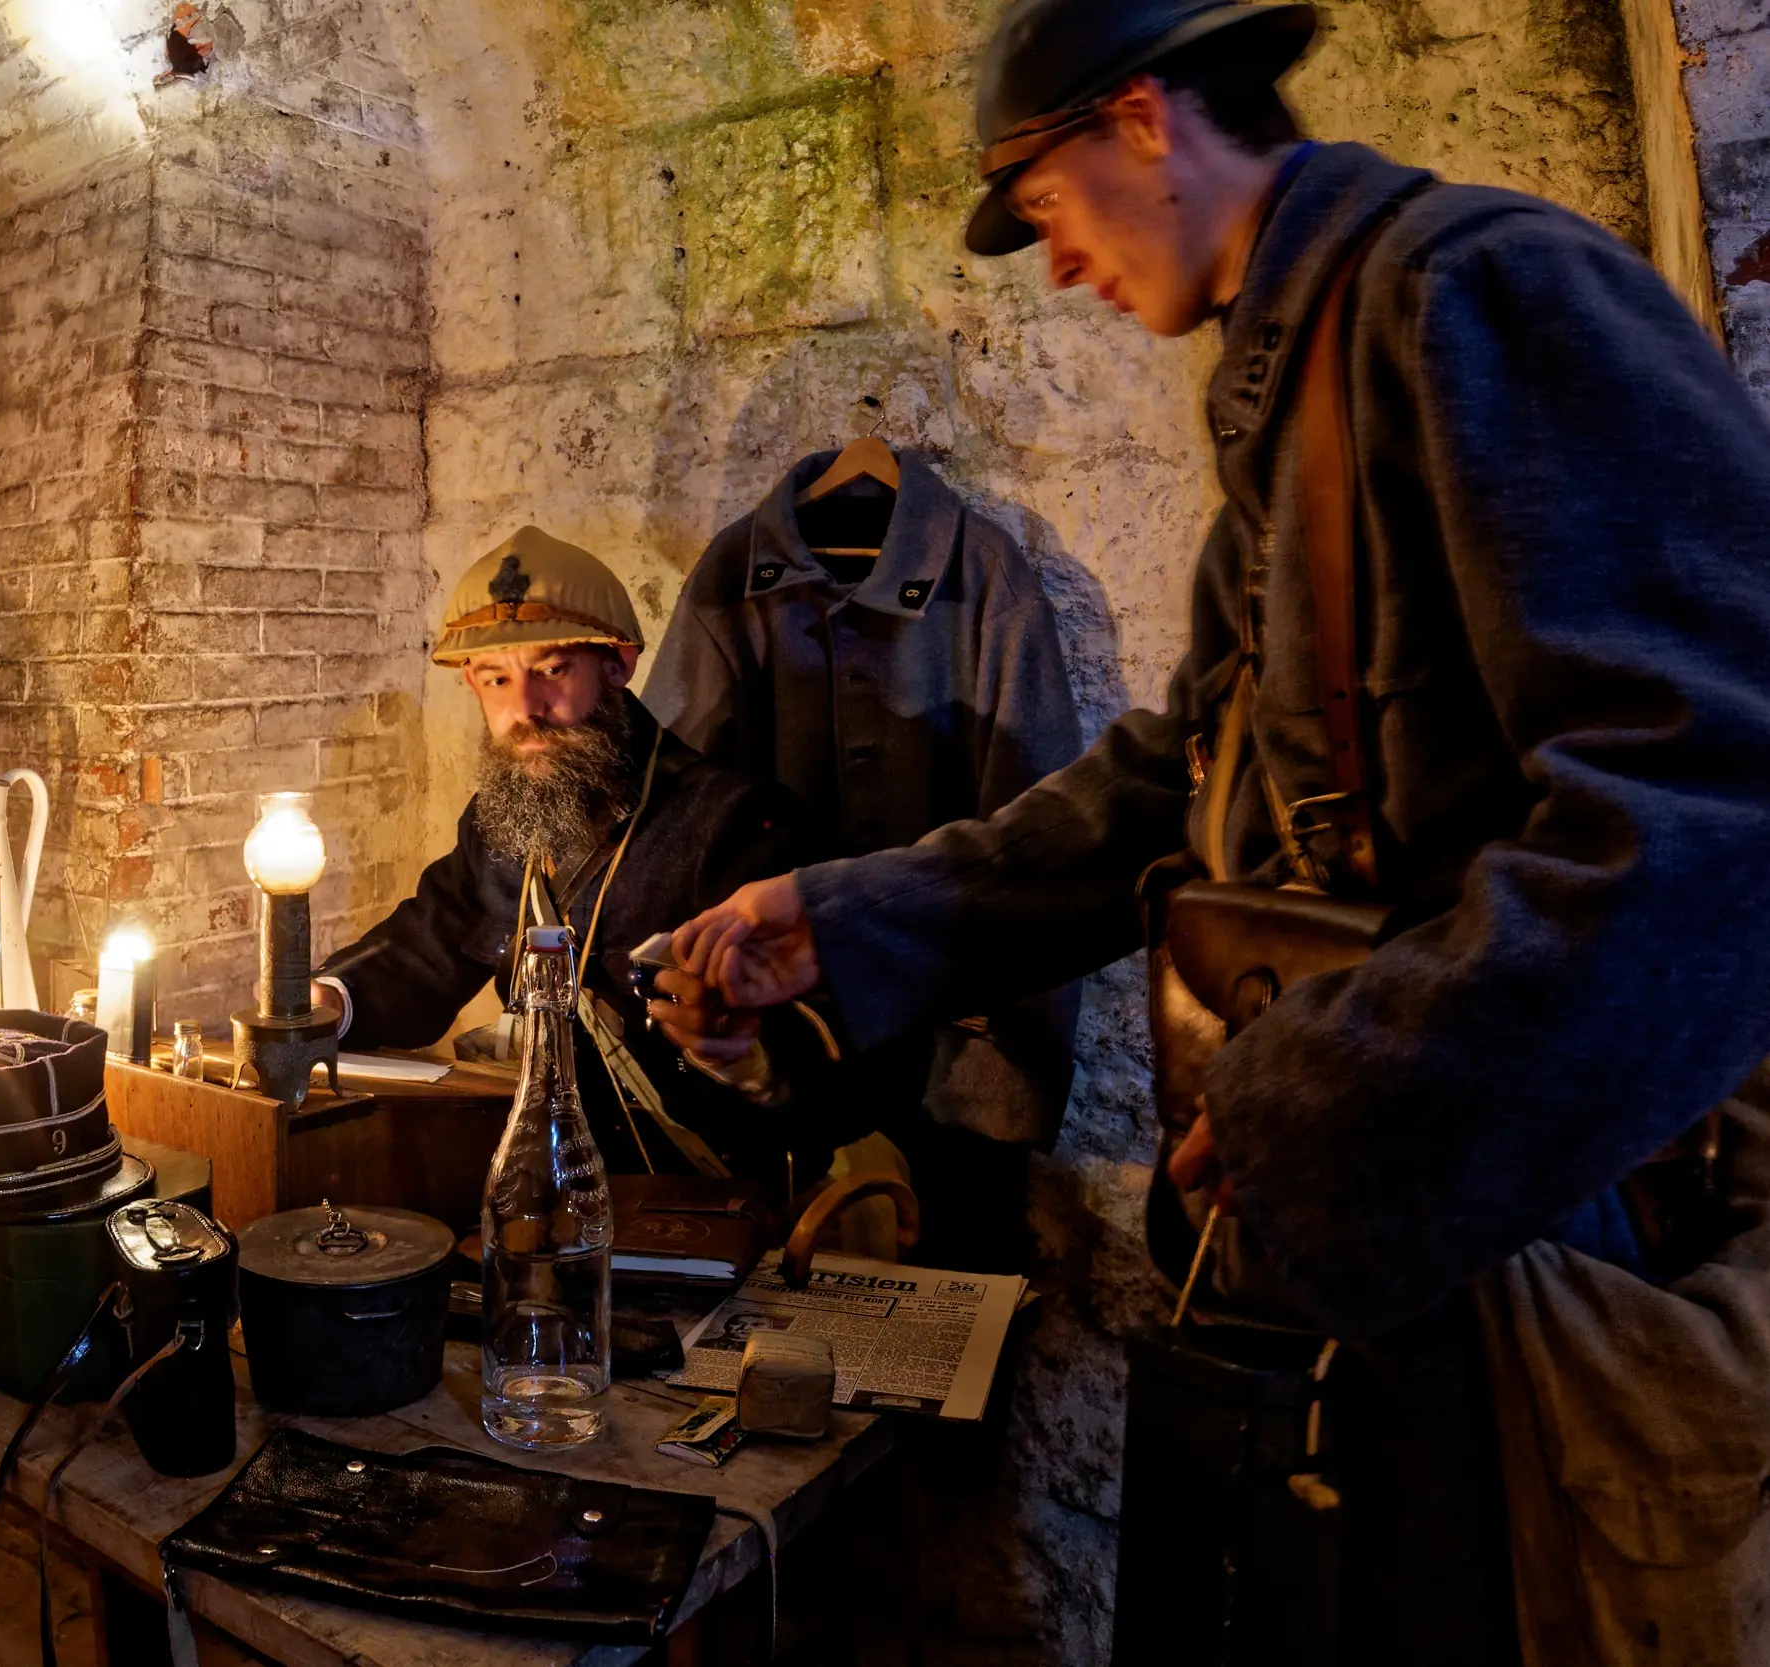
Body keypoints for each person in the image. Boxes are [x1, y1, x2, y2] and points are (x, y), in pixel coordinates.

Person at [653, 0, 1770, 1658]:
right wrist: (846, 918)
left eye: (1044, 201)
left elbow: (1710, 817)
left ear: (1148, 119)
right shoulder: (1295, 386)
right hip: (1399, 1258)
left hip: (1542, 1251)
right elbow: (1173, 791)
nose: (1050, 265)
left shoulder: (1479, 292)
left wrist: (1314, 1104)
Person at [643, 445, 1084, 1271]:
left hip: (951, 1062)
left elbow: (1041, 835)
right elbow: (670, 815)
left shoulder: (985, 578)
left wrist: (994, 1092)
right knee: (769, 1332)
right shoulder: (730, 578)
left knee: (947, 1344)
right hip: (772, 1059)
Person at [315, 526, 857, 1191]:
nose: (525, 709)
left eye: (552, 669)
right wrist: (324, 999)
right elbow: (425, 947)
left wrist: (736, 1047)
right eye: (497, 678)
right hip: (537, 1185)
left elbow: (838, 1059)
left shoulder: (735, 820)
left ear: (618, 663)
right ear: (470, 683)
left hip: (699, 1198)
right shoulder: (498, 820)